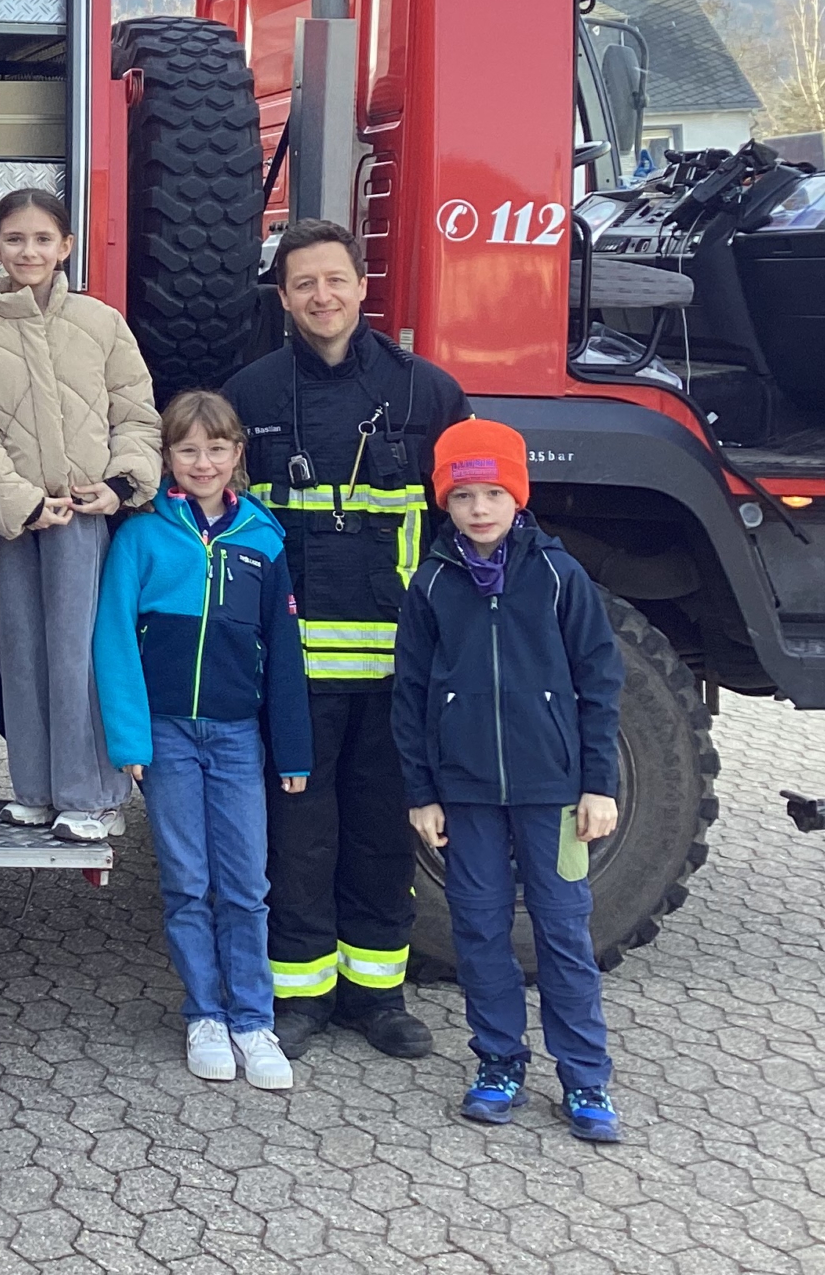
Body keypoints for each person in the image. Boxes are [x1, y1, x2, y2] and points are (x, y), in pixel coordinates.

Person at [222, 218, 470, 1059]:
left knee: (380, 832)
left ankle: (378, 997)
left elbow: (466, 530)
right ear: (284, 298)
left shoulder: (429, 395)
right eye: (303, 284)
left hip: (396, 671)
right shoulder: (250, 399)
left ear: (363, 287)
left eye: (335, 280)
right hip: (294, 673)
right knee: (298, 838)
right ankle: (301, 995)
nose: (321, 296)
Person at [394, 417, 624, 1144]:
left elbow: (600, 682)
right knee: (480, 929)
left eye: (494, 493)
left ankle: (584, 1078)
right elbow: (410, 693)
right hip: (466, 796)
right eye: (464, 496)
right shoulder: (432, 582)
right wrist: (422, 792)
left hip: (553, 795)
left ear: (518, 495)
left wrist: (599, 784)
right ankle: (498, 1063)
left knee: (562, 930)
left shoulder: (559, 576)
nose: (480, 509)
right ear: (445, 502)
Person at [93, 388, 311, 1092]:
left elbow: (285, 651)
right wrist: (131, 741)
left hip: (238, 736)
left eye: (216, 449)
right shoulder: (141, 537)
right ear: (167, 458)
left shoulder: (264, 539)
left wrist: (293, 749)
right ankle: (206, 1015)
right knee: (188, 882)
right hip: (166, 737)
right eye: (187, 450)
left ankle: (253, 1019)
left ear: (237, 454)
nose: (203, 462)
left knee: (246, 884)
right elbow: (113, 639)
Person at [0, 187, 160, 844]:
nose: (28, 251)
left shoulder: (100, 323)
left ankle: (93, 794)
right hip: (17, 520)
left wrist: (121, 485)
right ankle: (34, 788)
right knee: (22, 652)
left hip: (83, 516)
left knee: (81, 652)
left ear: (65, 246)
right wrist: (20, 502)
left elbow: (136, 413)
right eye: (14, 239)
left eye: (41, 239)